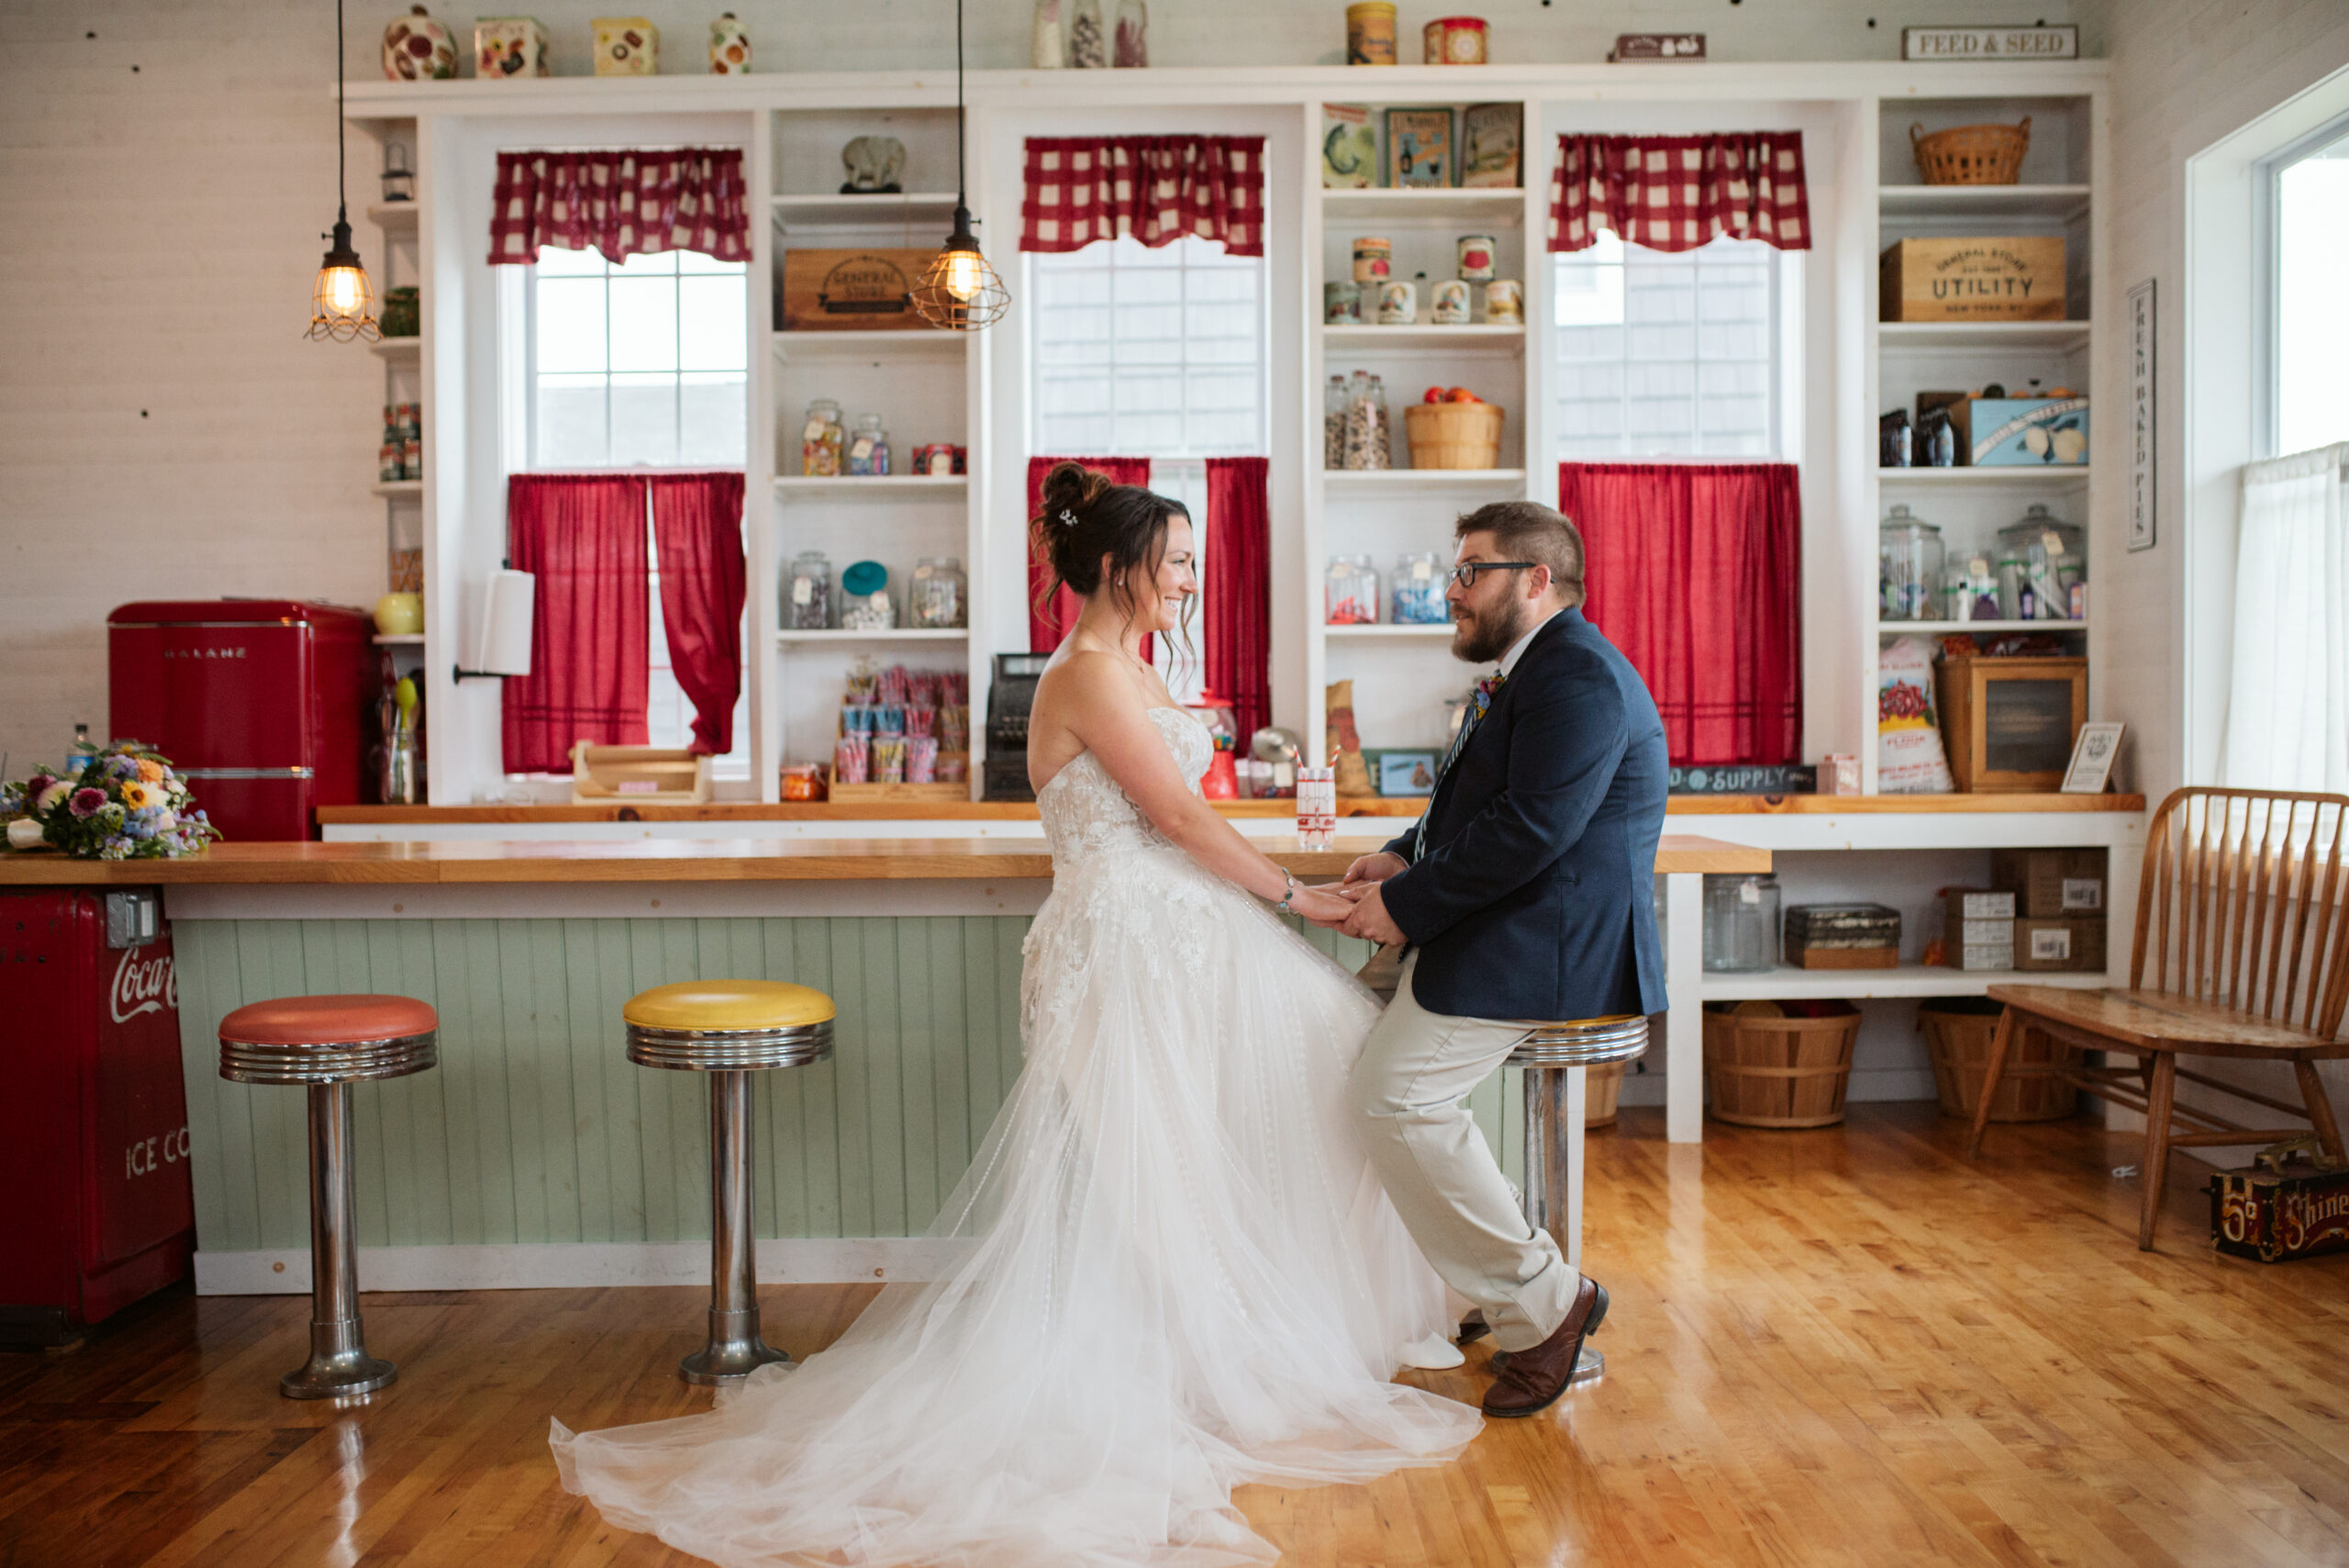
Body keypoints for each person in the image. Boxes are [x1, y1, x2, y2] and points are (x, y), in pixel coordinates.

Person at [551, 463, 1479, 1568]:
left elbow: (1185, 809)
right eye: (1176, 558)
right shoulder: (1087, 672)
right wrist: (1296, 895)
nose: (1190, 576)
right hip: (1124, 937)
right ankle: (1191, 1358)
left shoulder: (1125, 667)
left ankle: (1245, 1338)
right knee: (1151, 1160)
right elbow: (1176, 813)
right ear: (1119, 566)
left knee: (1279, 1098)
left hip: (1175, 928)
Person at [1328, 499, 1668, 1420]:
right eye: (1457, 569)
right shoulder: (1530, 673)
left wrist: (1400, 906)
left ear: (1537, 580)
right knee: (1360, 1066)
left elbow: (1530, 832)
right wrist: (1405, 852)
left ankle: (1547, 1304)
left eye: (1472, 570)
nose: (1453, 589)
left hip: (1549, 944)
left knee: (1391, 1098)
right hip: (1505, 924)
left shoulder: (1578, 678)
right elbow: (1475, 808)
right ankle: (1508, 1284)